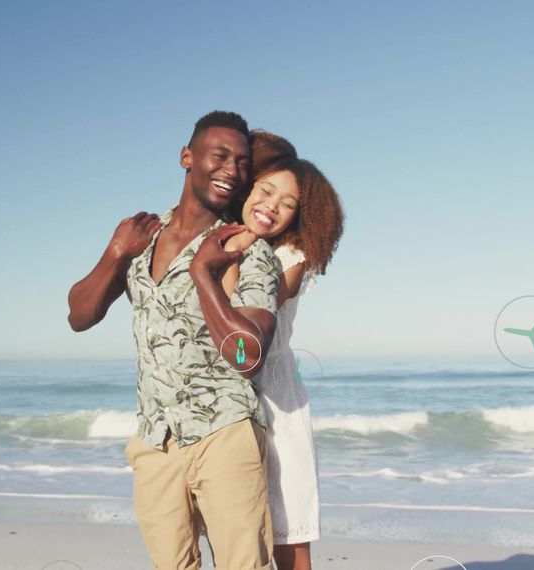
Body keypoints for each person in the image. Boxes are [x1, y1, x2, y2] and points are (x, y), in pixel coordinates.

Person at [67, 111, 282, 570]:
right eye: (220, 155)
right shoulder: (141, 239)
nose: (232, 170)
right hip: (155, 440)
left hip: (224, 433)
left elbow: (248, 358)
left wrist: (204, 272)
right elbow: (79, 316)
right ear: (187, 157)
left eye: (242, 163)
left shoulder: (245, 249)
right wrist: (115, 253)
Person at [219, 131, 344, 570]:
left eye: (287, 203)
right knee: (236, 531)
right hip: (225, 400)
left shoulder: (292, 257)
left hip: (276, 400)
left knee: (290, 529)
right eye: (266, 190)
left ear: (299, 217)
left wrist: (236, 251)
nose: (271, 206)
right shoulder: (216, 237)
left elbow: (264, 299)